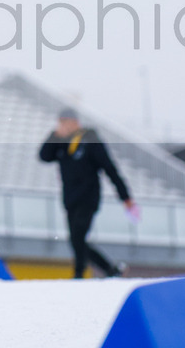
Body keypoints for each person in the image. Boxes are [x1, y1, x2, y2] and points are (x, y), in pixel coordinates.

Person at [38, 108, 137, 278]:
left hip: (88, 197)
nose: (63, 126)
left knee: (78, 236)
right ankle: (110, 269)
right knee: (76, 240)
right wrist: (54, 135)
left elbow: (110, 169)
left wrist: (125, 197)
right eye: (60, 123)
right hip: (70, 198)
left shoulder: (90, 140)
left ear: (75, 122)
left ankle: (79, 273)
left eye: (66, 122)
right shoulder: (60, 142)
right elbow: (44, 156)